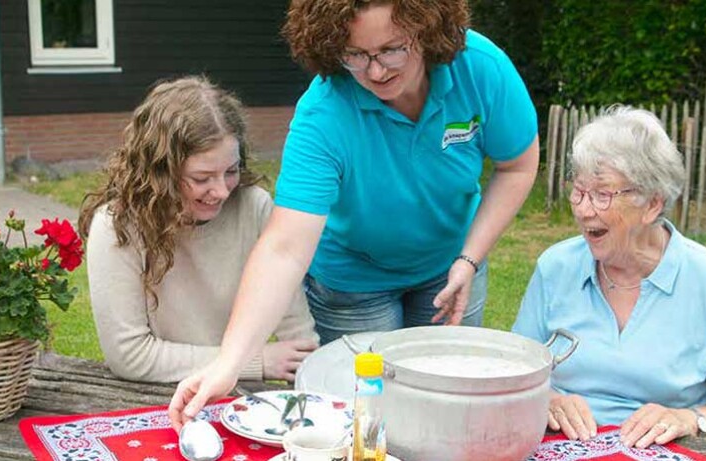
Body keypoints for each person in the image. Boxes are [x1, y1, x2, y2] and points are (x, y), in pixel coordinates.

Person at [169, 0, 539, 431]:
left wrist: (469, 258)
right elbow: (283, 249)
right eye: (356, 55)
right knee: (366, 416)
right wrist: (230, 361)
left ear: (427, 29)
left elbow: (517, 166)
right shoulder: (323, 114)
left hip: (453, 263)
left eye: (391, 49)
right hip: (354, 282)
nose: (376, 71)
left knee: (447, 411)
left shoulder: (480, 69)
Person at [512, 106, 706, 448]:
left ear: (652, 204)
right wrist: (549, 400)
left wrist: (688, 418)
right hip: (558, 446)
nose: (585, 210)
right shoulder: (555, 267)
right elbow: (513, 374)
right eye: (579, 191)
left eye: (602, 194)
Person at [78, 76, 319, 384]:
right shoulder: (117, 228)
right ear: (160, 172)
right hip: (152, 396)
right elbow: (130, 355)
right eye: (202, 178)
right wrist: (253, 362)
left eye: (230, 172)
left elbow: (295, 327)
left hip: (234, 394)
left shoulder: (253, 206)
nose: (220, 191)